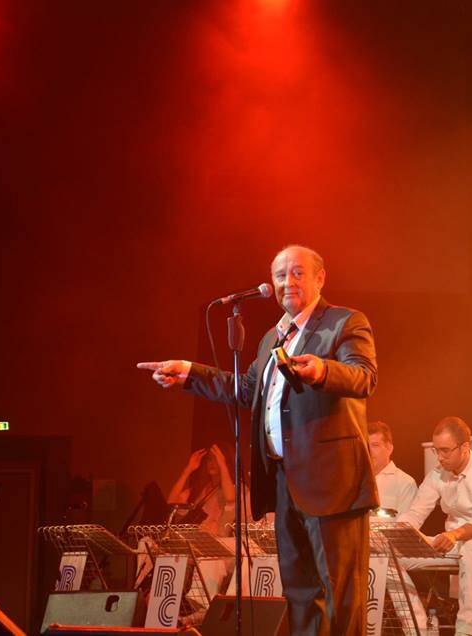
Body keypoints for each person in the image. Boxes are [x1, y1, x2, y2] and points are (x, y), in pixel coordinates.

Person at [137, 245, 378, 636]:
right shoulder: (272, 338)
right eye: (280, 275)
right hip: (285, 483)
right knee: (300, 593)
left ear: (320, 278)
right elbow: (247, 390)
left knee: (341, 594)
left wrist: (322, 371)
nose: (287, 281)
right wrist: (190, 373)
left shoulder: (343, 322)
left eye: (298, 272)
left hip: (333, 482)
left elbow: (364, 376)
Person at [397, 417, 472, 636]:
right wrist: (398, 531)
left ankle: (466, 632)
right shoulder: (437, 474)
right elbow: (416, 512)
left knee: (471, 546)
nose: (439, 457)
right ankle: (417, 628)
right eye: (436, 450)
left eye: (445, 450)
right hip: (451, 543)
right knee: (390, 555)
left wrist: (454, 535)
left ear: (465, 447)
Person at [167, 444, 236, 537]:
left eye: (216, 459)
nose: (212, 463)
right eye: (209, 459)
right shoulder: (200, 489)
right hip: (194, 539)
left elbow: (230, 499)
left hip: (217, 541)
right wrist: (188, 469)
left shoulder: (233, 489)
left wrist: (223, 465)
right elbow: (171, 503)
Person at [367, 420, 417, 515]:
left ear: (389, 448)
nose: (369, 451)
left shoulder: (405, 483)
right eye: (366, 446)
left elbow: (406, 522)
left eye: (375, 445)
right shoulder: (354, 480)